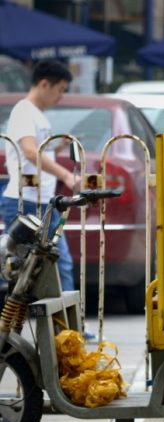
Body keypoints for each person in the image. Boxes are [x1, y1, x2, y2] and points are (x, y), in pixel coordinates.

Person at [2, 60, 79, 292]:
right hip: (26, 201)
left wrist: (57, 146)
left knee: (56, 263)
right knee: (19, 268)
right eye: (60, 90)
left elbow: (35, 151)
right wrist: (66, 175)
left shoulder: (36, 114)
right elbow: (29, 150)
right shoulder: (24, 111)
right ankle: (64, 325)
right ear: (45, 84)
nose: (61, 96)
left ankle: (66, 325)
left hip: (42, 201)